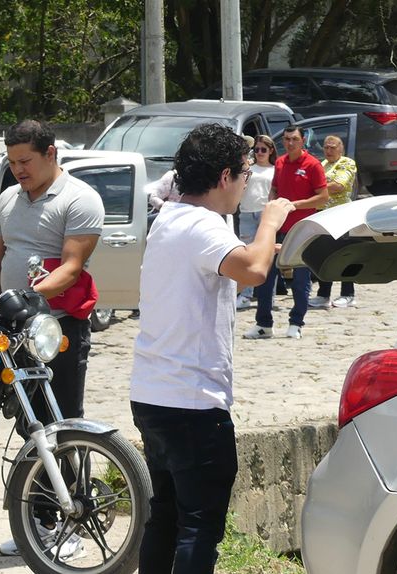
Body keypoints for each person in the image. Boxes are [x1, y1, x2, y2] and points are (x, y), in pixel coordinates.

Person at [131, 123, 294, 574]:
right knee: (199, 528)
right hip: (192, 404)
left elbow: (239, 259)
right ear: (225, 177)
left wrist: (259, 245)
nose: (247, 184)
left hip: (152, 395)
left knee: (164, 517)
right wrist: (269, 220)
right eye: (245, 173)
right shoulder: (203, 226)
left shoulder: (172, 217)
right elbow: (255, 272)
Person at [0, 119, 105, 560]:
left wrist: (26, 300)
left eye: (26, 161)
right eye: (12, 161)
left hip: (57, 330)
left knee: (65, 422)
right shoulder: (8, 200)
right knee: (27, 426)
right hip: (12, 333)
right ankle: (36, 522)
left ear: (51, 153)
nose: (18, 170)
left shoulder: (80, 199)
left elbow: (71, 268)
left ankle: (73, 522)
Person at [244, 125, 328, 340]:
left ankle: (296, 322)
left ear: (302, 141)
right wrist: (272, 202)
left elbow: (323, 197)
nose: (290, 143)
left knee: (300, 279)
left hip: (302, 229)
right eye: (287, 139)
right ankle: (263, 323)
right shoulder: (280, 163)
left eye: (294, 139)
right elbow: (275, 188)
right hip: (278, 228)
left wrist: (295, 205)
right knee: (264, 275)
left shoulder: (312, 165)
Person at [309, 135, 358, 309]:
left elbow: (339, 185)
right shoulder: (322, 164)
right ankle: (323, 294)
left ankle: (348, 293)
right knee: (326, 255)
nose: (329, 151)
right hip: (323, 215)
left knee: (345, 254)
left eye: (332, 147)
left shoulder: (346, 163)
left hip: (341, 214)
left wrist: (315, 185)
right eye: (326, 147)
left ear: (341, 148)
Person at [236, 135, 277, 309]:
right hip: (246, 212)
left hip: (264, 213)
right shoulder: (248, 168)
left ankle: (268, 295)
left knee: (267, 255)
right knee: (247, 254)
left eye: (263, 150)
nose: (260, 153)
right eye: (257, 149)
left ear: (270, 151)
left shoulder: (275, 169)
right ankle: (246, 294)